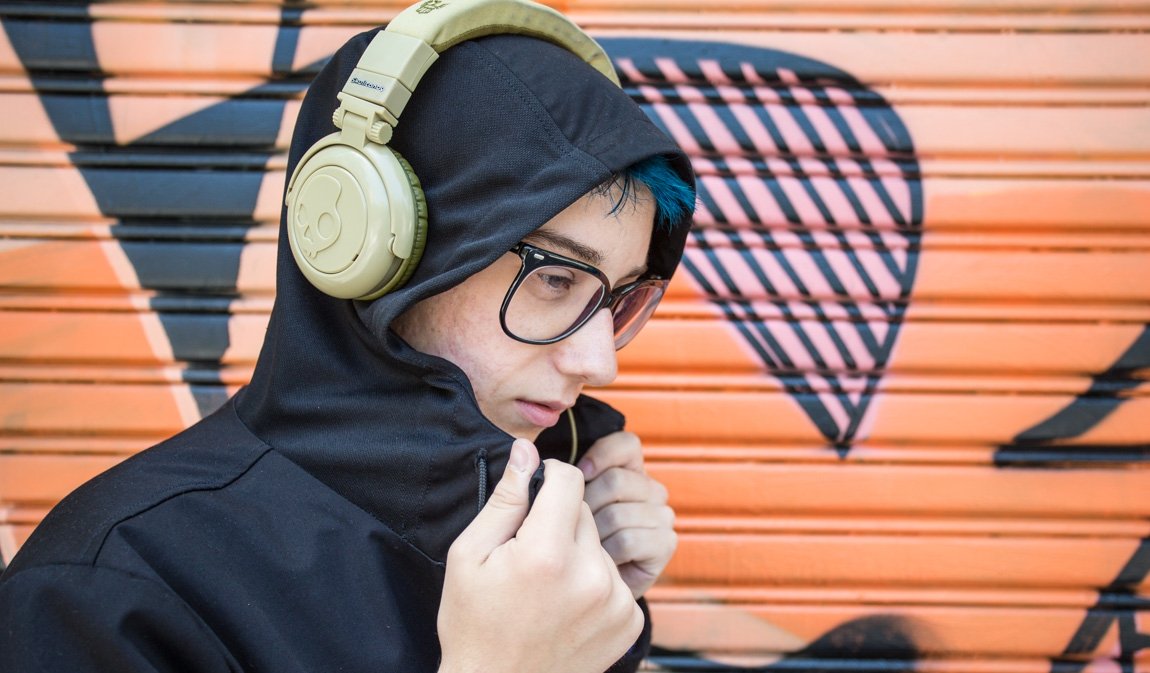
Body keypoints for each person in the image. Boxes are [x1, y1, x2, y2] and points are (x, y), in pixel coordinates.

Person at [0, 0, 695, 671]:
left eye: (619, 296)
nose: (598, 361)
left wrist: (604, 619)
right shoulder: (104, 592)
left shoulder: (549, 547)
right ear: (386, 249)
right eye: (556, 279)